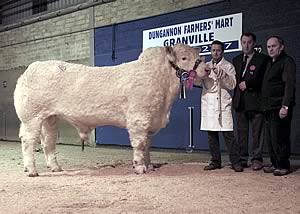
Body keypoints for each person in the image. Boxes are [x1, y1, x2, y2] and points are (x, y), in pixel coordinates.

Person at [197, 40, 243, 172]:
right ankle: (215, 161)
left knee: (229, 136)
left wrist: (223, 75)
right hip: (209, 105)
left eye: (218, 50)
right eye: (213, 50)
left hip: (223, 104)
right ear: (211, 51)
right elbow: (198, 82)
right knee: (212, 135)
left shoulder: (228, 66)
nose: (215, 52)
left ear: (222, 51)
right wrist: (197, 75)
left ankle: (236, 162)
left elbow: (232, 85)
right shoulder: (205, 66)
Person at [232, 33, 269, 170]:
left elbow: (264, 80)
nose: (246, 45)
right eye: (244, 42)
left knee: (257, 133)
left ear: (254, 43)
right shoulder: (236, 60)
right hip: (240, 102)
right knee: (241, 133)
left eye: (249, 42)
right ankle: (242, 158)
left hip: (256, 102)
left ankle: (257, 159)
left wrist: (249, 84)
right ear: (241, 43)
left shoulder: (262, 59)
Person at [261, 36, 296, 176]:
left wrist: (285, 106)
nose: (270, 49)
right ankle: (275, 163)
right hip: (268, 107)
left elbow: (289, 85)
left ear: (281, 47)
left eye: (273, 46)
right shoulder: (270, 62)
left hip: (279, 106)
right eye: (268, 46)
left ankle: (283, 165)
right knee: (270, 138)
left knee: (280, 137)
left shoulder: (287, 62)